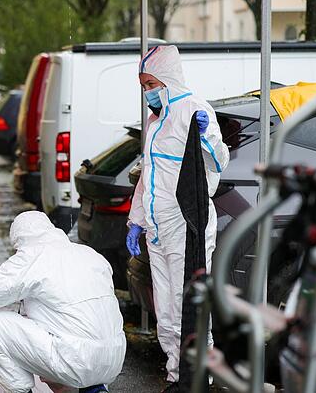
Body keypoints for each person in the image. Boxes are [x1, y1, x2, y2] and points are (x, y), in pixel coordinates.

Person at [125, 45, 229, 389]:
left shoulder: (194, 110)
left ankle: (200, 380)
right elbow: (148, 176)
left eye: (150, 84)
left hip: (187, 225)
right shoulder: (156, 121)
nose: (147, 92)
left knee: (191, 307)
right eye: (143, 86)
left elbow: (219, 161)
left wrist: (206, 135)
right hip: (158, 228)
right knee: (166, 311)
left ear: (167, 79)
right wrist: (137, 220)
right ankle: (175, 376)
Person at [0, 211, 126, 393]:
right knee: (79, 330)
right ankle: (95, 390)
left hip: (76, 361)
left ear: (20, 241)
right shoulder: (91, 255)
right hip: (113, 359)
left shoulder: (32, 256)